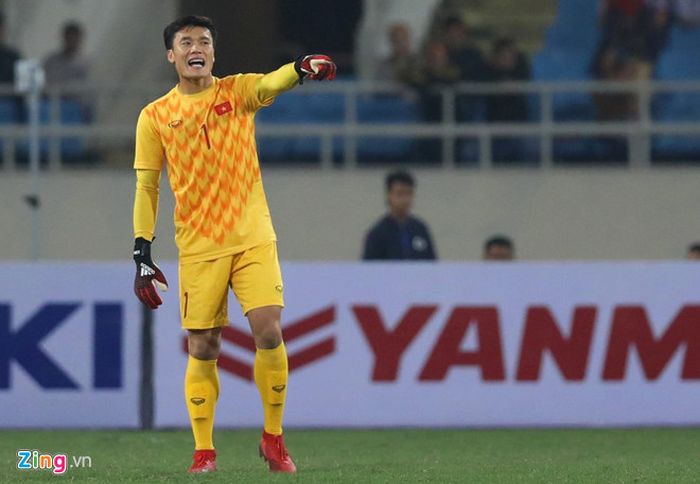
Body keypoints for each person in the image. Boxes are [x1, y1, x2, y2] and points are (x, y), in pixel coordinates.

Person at [131, 16, 336, 474]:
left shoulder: (236, 92)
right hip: (199, 246)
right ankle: (204, 451)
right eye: (186, 42)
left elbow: (272, 82)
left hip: (252, 237)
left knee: (269, 329)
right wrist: (142, 251)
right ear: (172, 55)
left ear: (213, 54)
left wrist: (301, 67)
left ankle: (274, 438)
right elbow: (147, 187)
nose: (195, 47)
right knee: (203, 346)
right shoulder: (155, 116)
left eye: (204, 40)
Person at [363, 170, 437, 260]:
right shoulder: (378, 234)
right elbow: (368, 269)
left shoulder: (420, 229)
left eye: (409, 194)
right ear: (389, 195)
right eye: (400, 194)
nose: (405, 200)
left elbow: (432, 264)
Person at [43, 21, 90, 87]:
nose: (71, 41)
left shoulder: (85, 63)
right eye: (69, 38)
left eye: (74, 38)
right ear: (64, 38)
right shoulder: (51, 60)